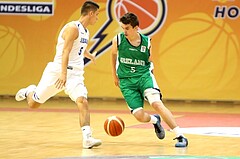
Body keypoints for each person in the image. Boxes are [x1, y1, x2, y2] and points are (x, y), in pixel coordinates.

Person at [15, 0, 101, 149]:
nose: (97, 18)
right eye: (97, 15)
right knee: (34, 104)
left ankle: (87, 138)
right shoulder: (72, 28)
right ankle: (30, 91)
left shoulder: (86, 32)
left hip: (76, 75)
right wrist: (63, 73)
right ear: (91, 13)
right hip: (57, 72)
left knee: (83, 101)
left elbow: (79, 48)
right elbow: (65, 51)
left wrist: (90, 55)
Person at [111, 12, 188, 147]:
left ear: (136, 28)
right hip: (127, 81)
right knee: (139, 116)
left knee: (156, 104)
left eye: (127, 28)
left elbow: (150, 60)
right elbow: (113, 55)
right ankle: (154, 120)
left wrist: (151, 74)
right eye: (123, 28)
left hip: (144, 76)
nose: (124, 31)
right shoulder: (117, 39)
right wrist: (114, 75)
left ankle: (180, 136)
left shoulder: (147, 42)